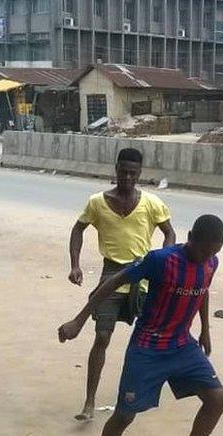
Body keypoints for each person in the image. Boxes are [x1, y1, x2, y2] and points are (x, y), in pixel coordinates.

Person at [58, 215, 223, 436]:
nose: (206, 258)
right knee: (125, 415)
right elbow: (113, 282)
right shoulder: (160, 260)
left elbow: (203, 291)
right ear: (189, 237)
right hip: (148, 347)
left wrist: (206, 330)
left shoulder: (210, 262)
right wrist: (79, 321)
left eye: (214, 252)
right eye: (202, 251)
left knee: (218, 399)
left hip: (182, 344)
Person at [68, 148, 176, 421]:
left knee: (151, 339)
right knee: (102, 337)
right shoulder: (97, 202)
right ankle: (89, 403)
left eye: (132, 172)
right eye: (123, 171)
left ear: (140, 173)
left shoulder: (152, 203)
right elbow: (78, 229)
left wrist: (164, 261)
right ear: (115, 169)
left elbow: (169, 233)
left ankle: (143, 394)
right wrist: (75, 264)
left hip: (143, 274)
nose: (127, 176)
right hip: (111, 275)